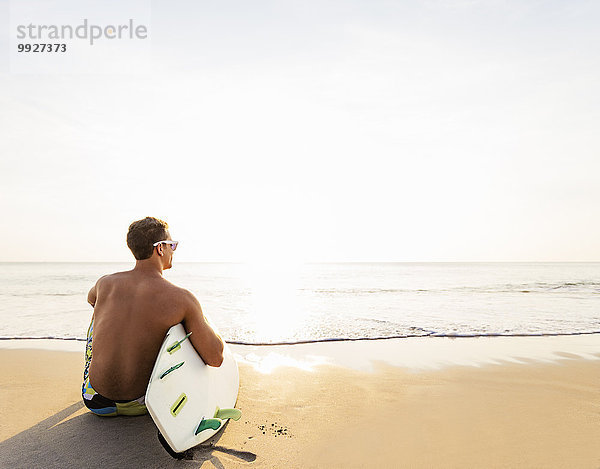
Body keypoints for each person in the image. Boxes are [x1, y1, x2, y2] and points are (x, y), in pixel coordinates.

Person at [82, 216, 224, 416]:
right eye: (172, 245)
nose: (173, 251)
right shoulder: (181, 298)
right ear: (160, 249)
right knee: (187, 323)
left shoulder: (104, 283)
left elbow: (92, 300)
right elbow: (215, 358)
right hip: (146, 403)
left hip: (96, 401)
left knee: (97, 314)